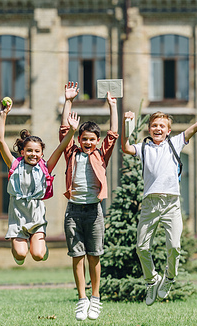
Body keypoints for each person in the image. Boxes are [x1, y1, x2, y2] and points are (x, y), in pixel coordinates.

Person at [122, 91, 197, 306]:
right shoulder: (144, 148)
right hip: (150, 204)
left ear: (168, 130)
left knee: (174, 246)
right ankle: (152, 279)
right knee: (141, 247)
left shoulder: (176, 143)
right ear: (149, 129)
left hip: (171, 204)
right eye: (154, 126)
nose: (158, 129)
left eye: (162, 126)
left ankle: (169, 277)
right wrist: (127, 125)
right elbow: (125, 147)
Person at [59, 82, 118, 321]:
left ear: (97, 140)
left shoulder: (100, 154)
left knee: (94, 256)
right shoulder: (71, 152)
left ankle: (95, 298)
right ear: (80, 139)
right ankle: (82, 299)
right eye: (84, 138)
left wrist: (112, 106)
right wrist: (68, 101)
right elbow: (65, 131)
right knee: (77, 256)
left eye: (92, 139)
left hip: (94, 211)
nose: (88, 142)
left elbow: (113, 135)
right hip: (73, 211)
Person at [0, 100, 80, 265]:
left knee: (38, 255)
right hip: (17, 218)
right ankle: (18, 252)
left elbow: (61, 148)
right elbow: (0, 140)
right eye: (29, 151)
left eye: (37, 151)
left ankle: (42, 248)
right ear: (22, 152)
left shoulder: (45, 168)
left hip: (36, 218)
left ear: (41, 154)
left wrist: (72, 131)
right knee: (20, 255)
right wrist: (3, 115)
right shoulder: (14, 165)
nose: (33, 154)